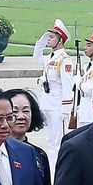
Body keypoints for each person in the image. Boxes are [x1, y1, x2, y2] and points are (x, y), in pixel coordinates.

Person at [31, 19, 78, 158]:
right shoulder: (50, 58)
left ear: (60, 40)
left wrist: (65, 109)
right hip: (46, 102)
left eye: (51, 37)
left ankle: (58, 168)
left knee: (57, 142)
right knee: (50, 140)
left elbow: (68, 85)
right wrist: (41, 42)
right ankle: (52, 166)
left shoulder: (64, 60)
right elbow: (36, 59)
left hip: (57, 105)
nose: (49, 40)